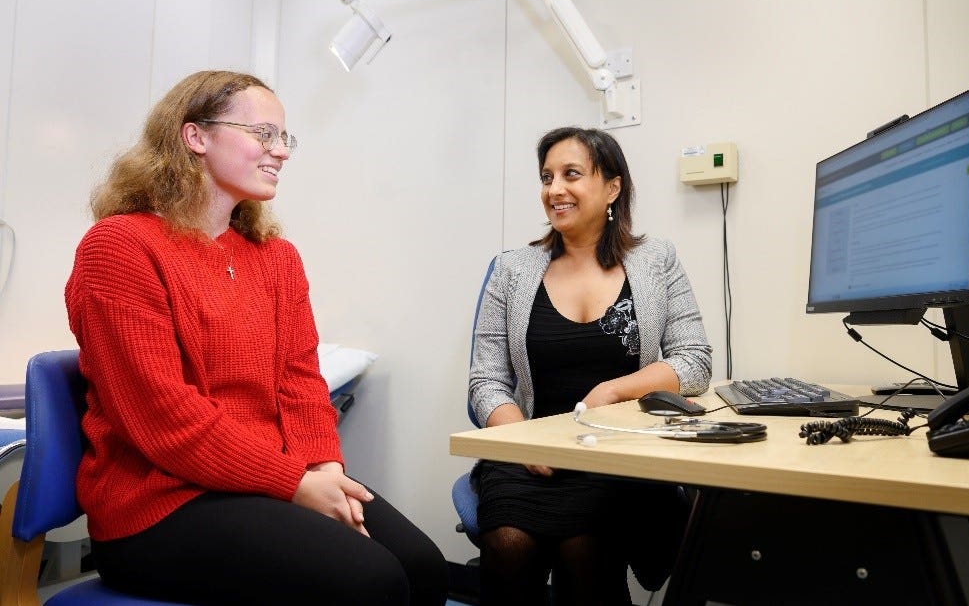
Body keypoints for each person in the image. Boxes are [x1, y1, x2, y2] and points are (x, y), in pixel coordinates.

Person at [65, 70, 448, 605]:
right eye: (263, 134)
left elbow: (302, 384)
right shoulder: (119, 247)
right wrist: (296, 485)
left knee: (423, 569)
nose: (281, 151)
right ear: (196, 136)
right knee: (372, 580)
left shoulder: (276, 258)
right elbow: (164, 418)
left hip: (267, 483)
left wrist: (325, 472)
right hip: (159, 505)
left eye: (284, 137)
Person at [468, 126, 712, 605]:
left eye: (571, 174)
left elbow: (694, 361)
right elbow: (486, 380)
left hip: (613, 454)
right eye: (547, 177)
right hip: (529, 451)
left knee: (586, 549)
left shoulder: (656, 260)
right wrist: (526, 441)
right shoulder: (512, 269)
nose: (554, 189)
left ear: (613, 188)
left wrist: (614, 390)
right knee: (508, 544)